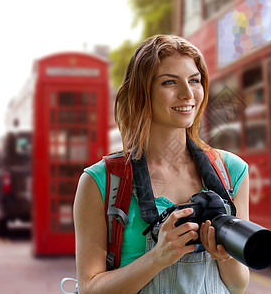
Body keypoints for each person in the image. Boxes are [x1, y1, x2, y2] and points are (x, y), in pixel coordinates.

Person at [73, 35, 250, 293]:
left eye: (194, 81)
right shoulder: (101, 181)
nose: (187, 94)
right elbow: (89, 288)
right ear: (141, 92)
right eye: (169, 82)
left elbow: (237, 284)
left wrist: (225, 255)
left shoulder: (231, 171)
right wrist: (158, 257)